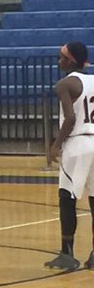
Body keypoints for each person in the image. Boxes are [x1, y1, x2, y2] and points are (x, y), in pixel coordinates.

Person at [45, 41, 94, 271]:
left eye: (62, 57)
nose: (59, 61)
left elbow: (71, 119)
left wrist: (56, 144)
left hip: (77, 143)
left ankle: (67, 253)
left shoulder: (64, 84)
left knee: (67, 198)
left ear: (72, 60)